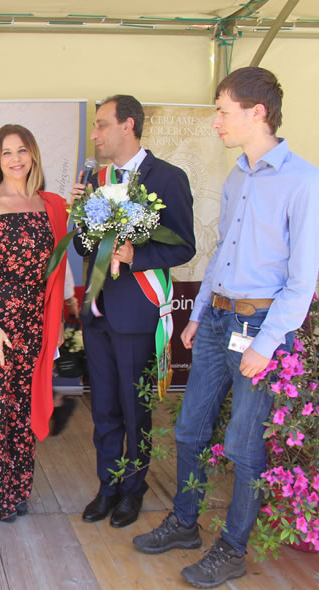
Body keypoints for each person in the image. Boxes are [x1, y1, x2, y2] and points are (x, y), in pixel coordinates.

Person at [133, 67, 319, 589]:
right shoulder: (238, 174)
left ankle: (233, 548)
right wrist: (199, 314)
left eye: (223, 111)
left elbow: (301, 281)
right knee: (189, 428)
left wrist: (267, 344)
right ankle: (184, 523)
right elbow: (224, 249)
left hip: (261, 326)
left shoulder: (305, 182)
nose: (216, 121)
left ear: (257, 112)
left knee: (244, 444)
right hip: (218, 318)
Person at [72, 95, 195, 529]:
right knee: (103, 405)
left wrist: (134, 255)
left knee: (133, 406)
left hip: (138, 311)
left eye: (101, 125)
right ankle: (107, 486)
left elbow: (183, 245)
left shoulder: (168, 177)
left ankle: (133, 488)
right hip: (99, 310)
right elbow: (82, 247)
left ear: (128, 125)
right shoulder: (95, 179)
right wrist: (80, 217)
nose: (95, 135)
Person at [0, 124, 66, 522]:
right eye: (6, 152)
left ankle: (18, 488)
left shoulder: (48, 205)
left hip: (34, 318)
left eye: (22, 150)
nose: (15, 159)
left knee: (24, 406)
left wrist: (56, 321)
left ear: (33, 154)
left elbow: (56, 271)